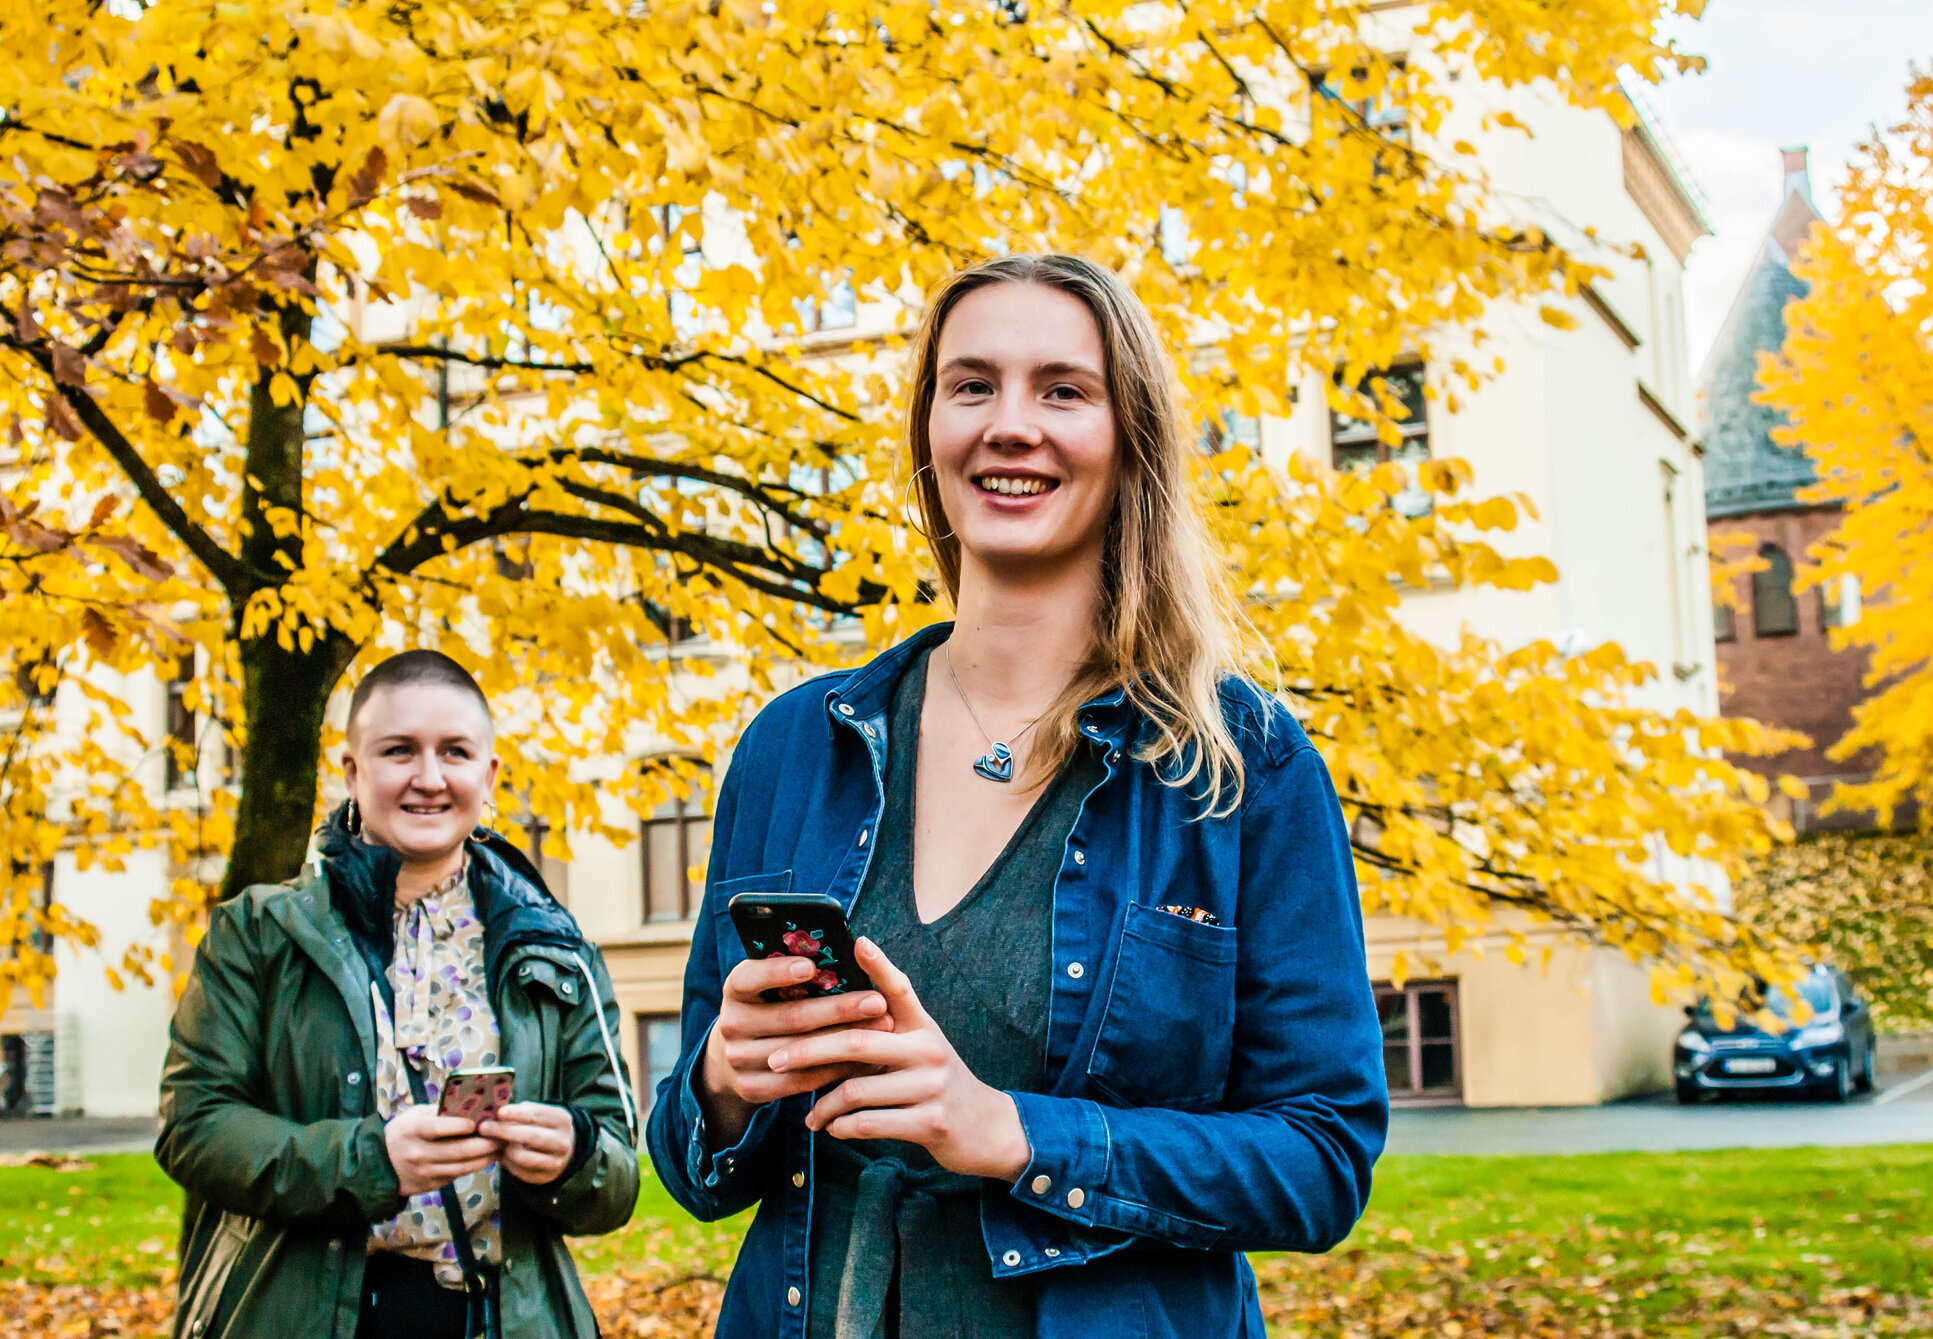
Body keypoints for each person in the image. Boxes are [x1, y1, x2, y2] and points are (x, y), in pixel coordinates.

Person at [649, 254, 1388, 1339]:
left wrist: (1017, 1134)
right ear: (929, 433)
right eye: (971, 385)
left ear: (1130, 441)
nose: (1009, 425)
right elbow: (692, 1167)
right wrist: (723, 1080)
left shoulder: (1243, 767)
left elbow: (1321, 1158)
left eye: (1062, 390)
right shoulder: (793, 748)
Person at [158, 650, 639, 1339]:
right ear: (352, 771)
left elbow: (618, 1178)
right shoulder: (257, 932)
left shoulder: (556, 952)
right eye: (399, 750)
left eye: (455, 752)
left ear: (489, 775)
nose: (430, 777)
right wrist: (372, 1160)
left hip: (498, 1318)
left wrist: (574, 1155)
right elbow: (193, 1127)